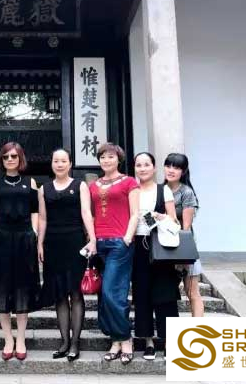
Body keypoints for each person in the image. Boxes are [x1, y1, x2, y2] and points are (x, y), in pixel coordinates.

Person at [0, 142, 40, 361]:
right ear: (1, 160)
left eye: (14, 156)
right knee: (1, 288)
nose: (10, 160)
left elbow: (35, 211)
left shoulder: (30, 182)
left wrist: (34, 233)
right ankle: (8, 339)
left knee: (23, 288)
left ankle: (20, 338)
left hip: (24, 238)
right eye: (6, 157)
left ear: (20, 158)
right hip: (0, 238)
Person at [38, 148, 96, 362]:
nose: (60, 164)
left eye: (63, 161)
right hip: (53, 243)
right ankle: (64, 341)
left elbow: (86, 213)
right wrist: (39, 243)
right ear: (52, 164)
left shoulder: (79, 185)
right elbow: (42, 218)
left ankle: (75, 343)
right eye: (56, 161)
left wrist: (92, 239)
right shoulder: (44, 189)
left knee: (75, 293)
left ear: (70, 163)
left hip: (75, 242)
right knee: (59, 294)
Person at [88, 143, 139, 365]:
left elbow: (135, 213)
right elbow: (90, 214)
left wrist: (127, 237)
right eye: (102, 157)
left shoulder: (129, 182)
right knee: (104, 295)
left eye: (110, 156)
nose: (106, 160)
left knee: (113, 291)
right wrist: (92, 240)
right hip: (99, 243)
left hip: (120, 243)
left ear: (119, 159)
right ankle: (116, 341)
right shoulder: (94, 185)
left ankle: (125, 339)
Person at [132, 152, 181, 360]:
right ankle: (148, 342)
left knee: (166, 295)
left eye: (146, 164)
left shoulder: (164, 190)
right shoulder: (131, 189)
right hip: (138, 246)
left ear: (154, 168)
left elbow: (175, 222)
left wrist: (160, 217)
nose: (142, 168)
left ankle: (169, 342)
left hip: (161, 247)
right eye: (139, 165)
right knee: (142, 294)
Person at [164, 152, 203, 317]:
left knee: (192, 292)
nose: (171, 170)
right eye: (168, 166)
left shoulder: (186, 192)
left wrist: (183, 257)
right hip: (165, 247)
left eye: (176, 167)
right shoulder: (160, 190)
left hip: (184, 247)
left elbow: (186, 228)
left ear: (183, 171)